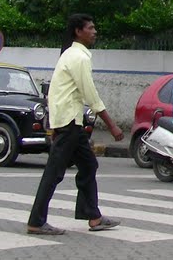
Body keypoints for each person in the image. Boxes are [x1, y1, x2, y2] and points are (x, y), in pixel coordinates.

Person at [27, 13, 124, 236]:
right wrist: (112, 125)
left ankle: (93, 216)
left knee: (89, 165)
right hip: (69, 122)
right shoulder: (78, 58)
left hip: (71, 122)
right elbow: (89, 93)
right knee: (54, 173)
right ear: (78, 32)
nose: (95, 31)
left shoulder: (71, 54)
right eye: (90, 28)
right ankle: (36, 221)